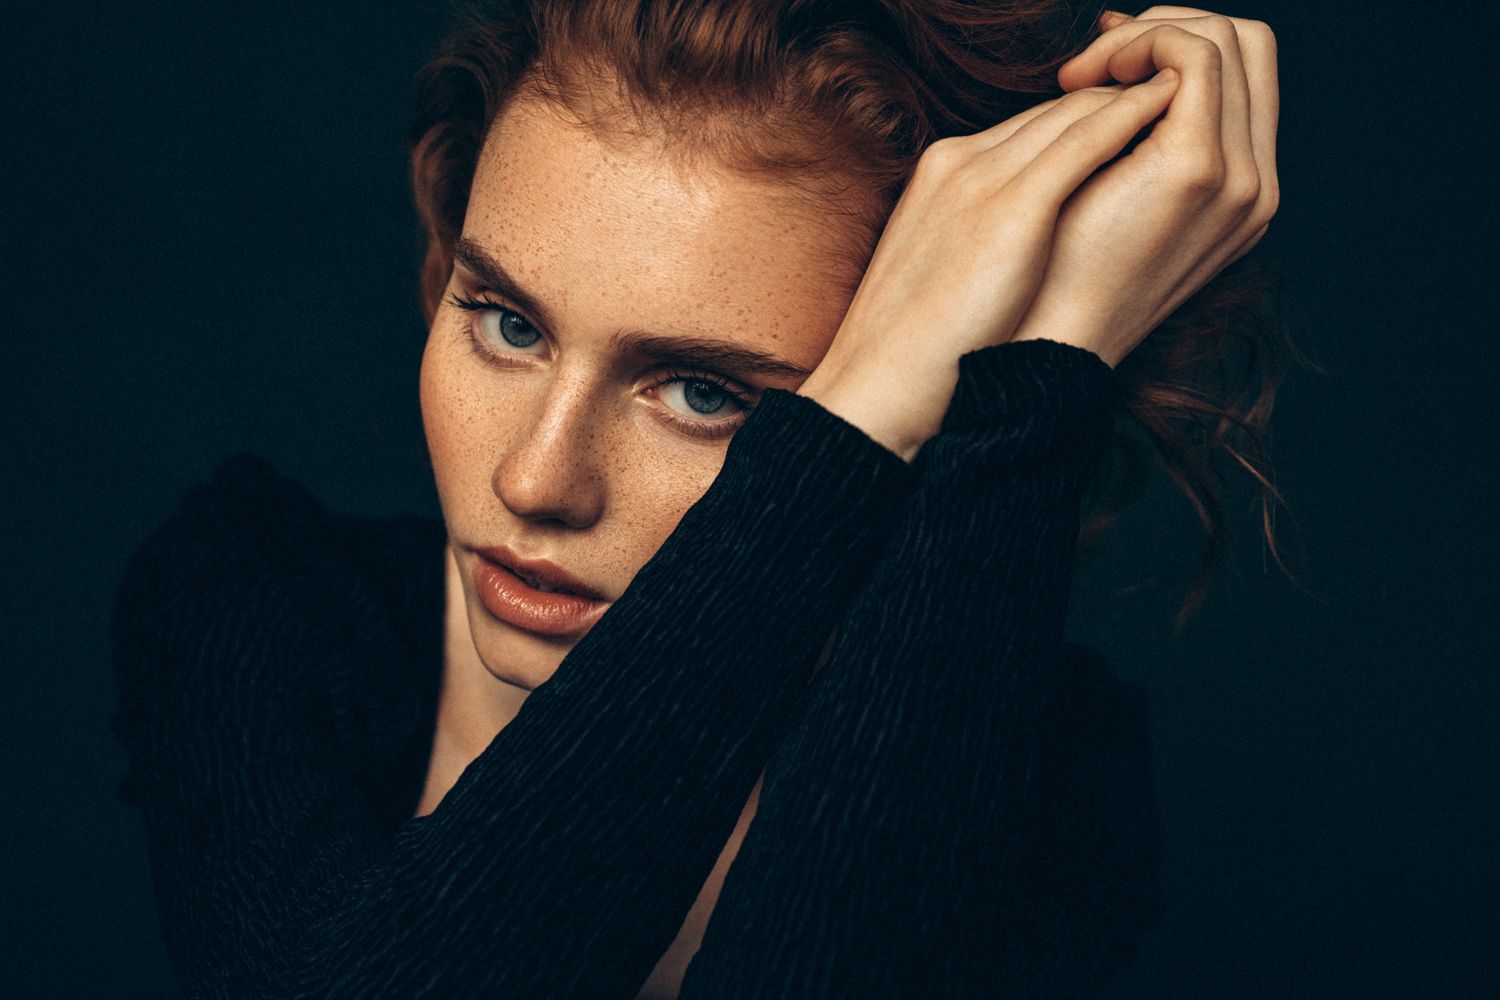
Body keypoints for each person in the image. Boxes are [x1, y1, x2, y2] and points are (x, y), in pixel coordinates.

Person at [109, 2, 1287, 997]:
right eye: (507, 322)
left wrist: (1041, 363)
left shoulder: (1041, 781)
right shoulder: (258, 601)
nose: (535, 480)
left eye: (705, 394)